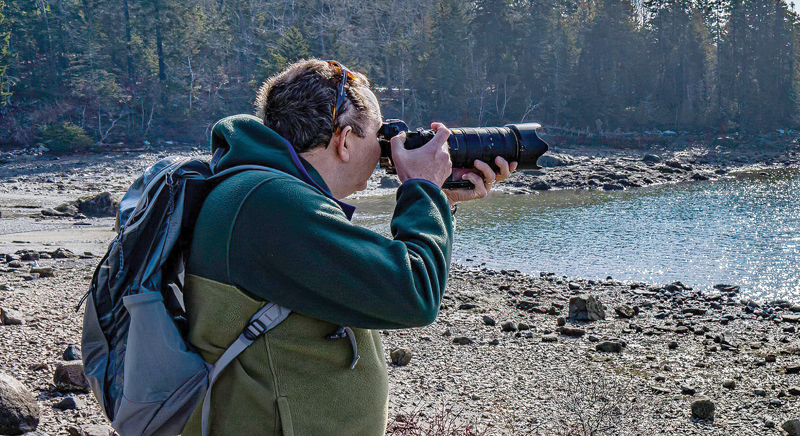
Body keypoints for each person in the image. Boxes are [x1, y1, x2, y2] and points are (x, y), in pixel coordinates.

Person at [180, 59, 516, 435]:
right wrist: (421, 188)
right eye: (378, 136)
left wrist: (438, 200)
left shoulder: (258, 191)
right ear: (343, 140)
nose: (384, 151)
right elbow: (413, 293)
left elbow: (365, 281)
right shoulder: (272, 203)